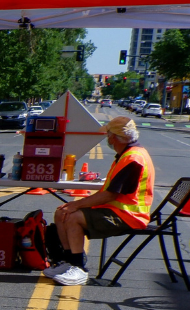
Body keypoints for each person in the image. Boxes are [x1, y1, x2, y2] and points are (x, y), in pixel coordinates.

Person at [48, 116, 153, 286]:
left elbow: (111, 195)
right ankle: (69, 261)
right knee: (62, 212)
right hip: (117, 210)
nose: (107, 138)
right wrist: (74, 205)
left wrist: (76, 204)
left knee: (73, 216)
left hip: (129, 215)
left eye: (108, 134)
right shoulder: (125, 154)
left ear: (115, 137)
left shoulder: (133, 158)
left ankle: (78, 268)